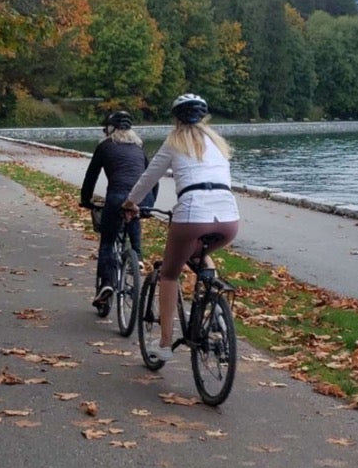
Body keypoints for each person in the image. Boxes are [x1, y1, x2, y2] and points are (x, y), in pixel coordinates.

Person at [122, 93, 239, 362]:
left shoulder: (173, 143)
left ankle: (164, 344)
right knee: (200, 256)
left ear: (175, 119)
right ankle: (217, 316)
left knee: (169, 274)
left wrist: (130, 203)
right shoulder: (217, 143)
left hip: (192, 215)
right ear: (205, 117)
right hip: (229, 219)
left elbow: (148, 177)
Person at [79, 108, 155, 315]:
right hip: (142, 198)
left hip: (116, 197)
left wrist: (85, 200)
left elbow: (91, 177)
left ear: (109, 129)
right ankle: (137, 258)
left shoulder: (105, 147)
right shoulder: (139, 148)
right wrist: (149, 204)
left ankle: (107, 283)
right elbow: (151, 177)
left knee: (107, 240)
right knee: (135, 214)